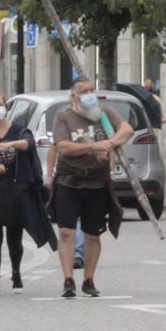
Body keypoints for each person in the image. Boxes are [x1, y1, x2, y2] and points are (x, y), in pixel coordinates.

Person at [50, 78, 133, 298]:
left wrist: (111, 143)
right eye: (83, 91)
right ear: (74, 96)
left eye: (91, 90)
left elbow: (127, 130)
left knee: (92, 234)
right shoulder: (64, 116)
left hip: (97, 181)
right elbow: (64, 147)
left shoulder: (103, 113)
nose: (89, 94)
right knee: (66, 232)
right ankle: (68, 279)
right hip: (69, 180)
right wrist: (95, 145)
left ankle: (88, 279)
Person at [0, 91, 56, 299]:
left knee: (14, 235)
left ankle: (16, 274)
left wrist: (10, 144)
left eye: (1, 104)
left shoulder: (18, 129)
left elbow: (28, 143)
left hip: (14, 188)